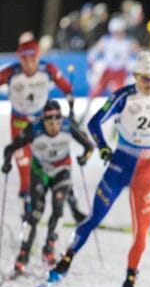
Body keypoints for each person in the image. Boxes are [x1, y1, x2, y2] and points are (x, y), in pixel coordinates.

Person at [47, 51, 150, 287]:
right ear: (136, 76)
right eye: (145, 79)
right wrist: (103, 146)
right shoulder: (123, 96)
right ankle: (66, 260)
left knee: (141, 232)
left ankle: (130, 280)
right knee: (94, 218)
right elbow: (94, 122)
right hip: (119, 167)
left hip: (148, 171)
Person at [0, 35, 88, 223]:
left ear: (38, 57)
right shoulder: (10, 73)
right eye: (25, 60)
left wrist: (71, 110)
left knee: (58, 160)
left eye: (33, 59)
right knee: (24, 165)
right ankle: (28, 208)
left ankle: (73, 207)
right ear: (19, 59)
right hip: (19, 122)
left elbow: (67, 88)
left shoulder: (47, 69)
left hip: (43, 122)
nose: (29, 64)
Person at [2, 100, 93, 274]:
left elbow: (89, 146)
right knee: (35, 213)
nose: (54, 127)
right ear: (43, 121)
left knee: (58, 210)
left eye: (57, 122)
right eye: (49, 123)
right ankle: (24, 253)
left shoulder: (68, 126)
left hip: (62, 171)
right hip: (40, 172)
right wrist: (7, 163)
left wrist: (84, 158)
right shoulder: (34, 129)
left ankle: (49, 248)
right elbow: (10, 148)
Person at [86, 17, 138, 99]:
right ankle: (87, 107)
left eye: (120, 31)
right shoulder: (106, 40)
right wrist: (91, 60)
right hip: (108, 70)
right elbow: (94, 51)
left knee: (118, 93)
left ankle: (115, 109)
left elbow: (138, 51)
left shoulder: (128, 42)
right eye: (116, 32)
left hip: (120, 71)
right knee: (96, 90)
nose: (118, 34)